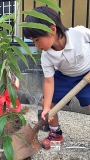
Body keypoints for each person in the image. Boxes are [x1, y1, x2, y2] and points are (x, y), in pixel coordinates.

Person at [23, 6, 90, 150]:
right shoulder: (46, 56)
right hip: (65, 76)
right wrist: (46, 108)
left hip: (87, 73)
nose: (36, 45)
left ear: (52, 30)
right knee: (48, 103)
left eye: (36, 40)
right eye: (32, 41)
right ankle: (55, 134)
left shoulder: (80, 33)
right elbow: (49, 81)